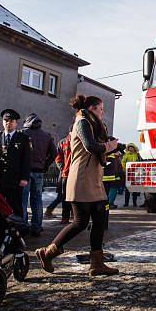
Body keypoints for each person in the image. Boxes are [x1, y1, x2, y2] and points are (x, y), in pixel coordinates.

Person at [35, 95, 120, 276]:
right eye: (100, 109)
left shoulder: (92, 124)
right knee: (80, 222)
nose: (102, 113)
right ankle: (48, 252)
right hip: (81, 179)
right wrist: (109, 146)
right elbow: (90, 146)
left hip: (93, 179)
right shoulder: (82, 122)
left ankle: (96, 264)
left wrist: (116, 145)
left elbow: (98, 144)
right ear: (91, 108)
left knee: (99, 221)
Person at [20, 113, 56, 236]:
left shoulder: (23, 134)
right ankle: (37, 227)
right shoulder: (46, 136)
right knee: (37, 201)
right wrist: (45, 165)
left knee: (23, 201)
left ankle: (23, 227)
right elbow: (54, 154)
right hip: (39, 172)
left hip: (24, 172)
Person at [0, 109, 31, 218]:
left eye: (11, 121)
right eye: (5, 120)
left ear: (16, 123)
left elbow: (27, 160)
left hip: (15, 179)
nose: (8, 123)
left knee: (15, 206)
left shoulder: (23, 139)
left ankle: (18, 231)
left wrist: (24, 177)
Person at [44, 131, 72, 224]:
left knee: (66, 196)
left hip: (69, 174)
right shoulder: (63, 142)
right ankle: (53, 212)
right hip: (65, 174)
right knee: (63, 196)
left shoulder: (75, 142)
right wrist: (62, 167)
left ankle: (51, 211)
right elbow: (57, 157)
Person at [121, 143, 142, 208]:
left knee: (135, 189)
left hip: (136, 174)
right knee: (127, 189)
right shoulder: (126, 155)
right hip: (128, 174)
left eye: (132, 147)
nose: (130, 148)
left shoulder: (137, 155)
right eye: (129, 147)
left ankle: (134, 203)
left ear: (134, 148)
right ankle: (126, 203)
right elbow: (123, 163)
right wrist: (125, 170)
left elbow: (140, 163)